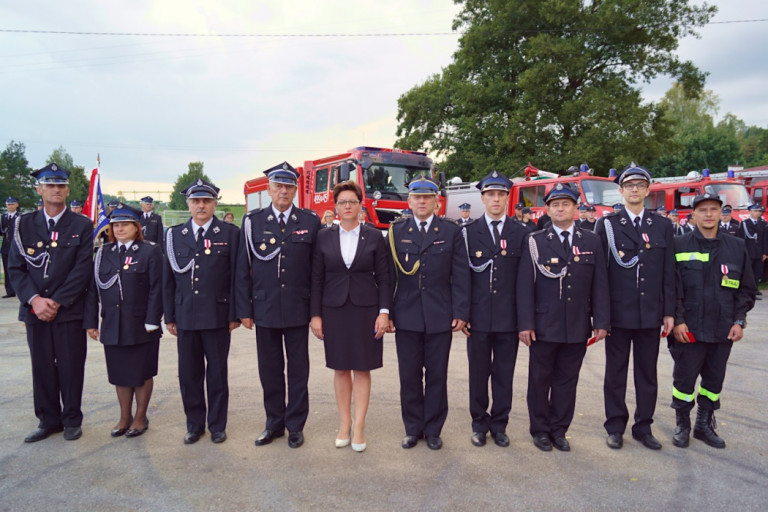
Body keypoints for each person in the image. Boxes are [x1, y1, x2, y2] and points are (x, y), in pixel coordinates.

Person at [517, 183, 609, 452]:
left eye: (565, 203)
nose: (560, 208)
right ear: (547, 209)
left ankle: (559, 430)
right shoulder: (534, 241)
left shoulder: (591, 240)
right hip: (543, 325)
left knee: (567, 382)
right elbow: (525, 286)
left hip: (577, 325)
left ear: (575, 208)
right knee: (539, 381)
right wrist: (525, 324)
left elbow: (600, 284)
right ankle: (540, 430)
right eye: (555, 204)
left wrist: (602, 321)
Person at [236, 162, 320, 449]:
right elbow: (242, 268)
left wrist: (315, 312)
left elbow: (315, 271)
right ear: (269, 189)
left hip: (298, 308)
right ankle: (274, 424)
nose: (283, 191)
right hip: (265, 308)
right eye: (278, 186)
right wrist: (244, 310)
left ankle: (295, 425)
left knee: (298, 370)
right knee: (270, 371)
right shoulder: (252, 222)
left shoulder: (309, 220)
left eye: (289, 186)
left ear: (295, 190)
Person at [8, 164, 93, 442]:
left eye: (61, 185)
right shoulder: (24, 224)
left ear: (67, 190)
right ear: (40, 190)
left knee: (71, 365)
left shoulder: (81, 224)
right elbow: (16, 267)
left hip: (67, 310)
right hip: (35, 310)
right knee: (41, 365)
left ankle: (71, 419)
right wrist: (35, 300)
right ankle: (48, 420)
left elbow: (82, 269)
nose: (56, 190)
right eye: (50, 185)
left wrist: (55, 301)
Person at [595, 164, 675, 451]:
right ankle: (615, 426)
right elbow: (600, 276)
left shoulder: (663, 225)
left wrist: (669, 311)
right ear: (621, 191)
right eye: (629, 186)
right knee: (615, 374)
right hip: (619, 314)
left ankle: (643, 426)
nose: (634, 190)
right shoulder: (607, 225)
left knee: (647, 374)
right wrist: (601, 316)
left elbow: (668, 272)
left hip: (650, 313)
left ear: (647, 190)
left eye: (640, 185)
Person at [387, 175, 470, 450]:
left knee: (437, 375)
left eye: (427, 197)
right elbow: (389, 277)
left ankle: (433, 429)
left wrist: (460, 311)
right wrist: (386, 311)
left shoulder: (450, 230)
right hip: (407, 314)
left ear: (437, 201)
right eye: (417, 197)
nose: (422, 202)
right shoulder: (397, 230)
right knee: (409, 376)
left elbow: (460, 274)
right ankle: (413, 428)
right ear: (409, 201)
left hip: (439, 314)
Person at [669, 193, 756, 449]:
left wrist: (739, 321)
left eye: (714, 209)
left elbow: (746, 290)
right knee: (684, 381)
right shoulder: (679, 244)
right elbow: (672, 288)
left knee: (713, 381)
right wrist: (678, 321)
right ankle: (682, 425)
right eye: (703, 210)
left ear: (721, 213)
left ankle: (703, 425)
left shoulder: (736, 247)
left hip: (722, 328)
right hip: (689, 329)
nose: (708, 214)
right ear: (693, 215)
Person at [309, 181, 391, 452]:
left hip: (365, 309)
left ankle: (359, 425)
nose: (347, 206)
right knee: (341, 367)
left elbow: (385, 278)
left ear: (360, 206)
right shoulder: (323, 237)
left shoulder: (375, 237)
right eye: (342, 202)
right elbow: (316, 279)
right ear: (335, 206)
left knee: (362, 367)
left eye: (352, 202)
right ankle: (344, 424)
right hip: (334, 310)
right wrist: (316, 315)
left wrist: (383, 312)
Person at [163, 178, 240, 445]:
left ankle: (217, 425)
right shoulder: (173, 236)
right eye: (196, 201)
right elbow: (167, 279)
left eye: (206, 201)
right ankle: (194, 425)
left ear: (215, 204)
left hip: (218, 316)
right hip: (185, 316)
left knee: (217, 374)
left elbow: (236, 277)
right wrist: (169, 316)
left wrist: (235, 314)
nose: (201, 205)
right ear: (188, 204)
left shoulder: (230, 234)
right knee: (189, 374)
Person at [84, 203, 163, 438]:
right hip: (113, 324)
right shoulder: (103, 253)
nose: (119, 229)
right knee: (119, 374)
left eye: (124, 225)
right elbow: (92, 290)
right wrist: (91, 322)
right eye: (115, 225)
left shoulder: (149, 251)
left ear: (136, 227)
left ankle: (140, 417)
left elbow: (157, 288)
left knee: (141, 372)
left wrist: (153, 319)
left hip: (141, 324)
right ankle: (124, 416)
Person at [461, 171, 527, 448]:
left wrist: (524, 321)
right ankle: (479, 424)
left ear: (507, 198)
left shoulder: (522, 233)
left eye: (501, 194)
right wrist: (462, 314)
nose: (496, 199)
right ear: (483, 198)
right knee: (478, 374)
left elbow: (525, 282)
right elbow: (462, 278)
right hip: (477, 318)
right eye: (491, 194)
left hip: (508, 319)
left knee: (504, 375)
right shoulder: (467, 232)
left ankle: (499, 425)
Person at [737, 203, 767, 299]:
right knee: (748, 273)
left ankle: (755, 290)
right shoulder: (744, 223)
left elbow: (765, 239)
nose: (758, 213)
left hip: (759, 252)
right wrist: (742, 252)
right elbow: (741, 238)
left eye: (759, 211)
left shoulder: (763, 224)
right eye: (755, 211)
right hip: (748, 251)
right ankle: (747, 291)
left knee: (757, 272)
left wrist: (765, 252)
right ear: (750, 212)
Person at [1, 197, 20, 298]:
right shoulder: (3, 217)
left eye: (12, 204)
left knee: (18, 268)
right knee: (7, 268)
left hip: (16, 247)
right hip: (6, 246)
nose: (10, 206)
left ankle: (19, 289)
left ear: (17, 205)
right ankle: (10, 291)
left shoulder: (20, 217)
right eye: (8, 204)